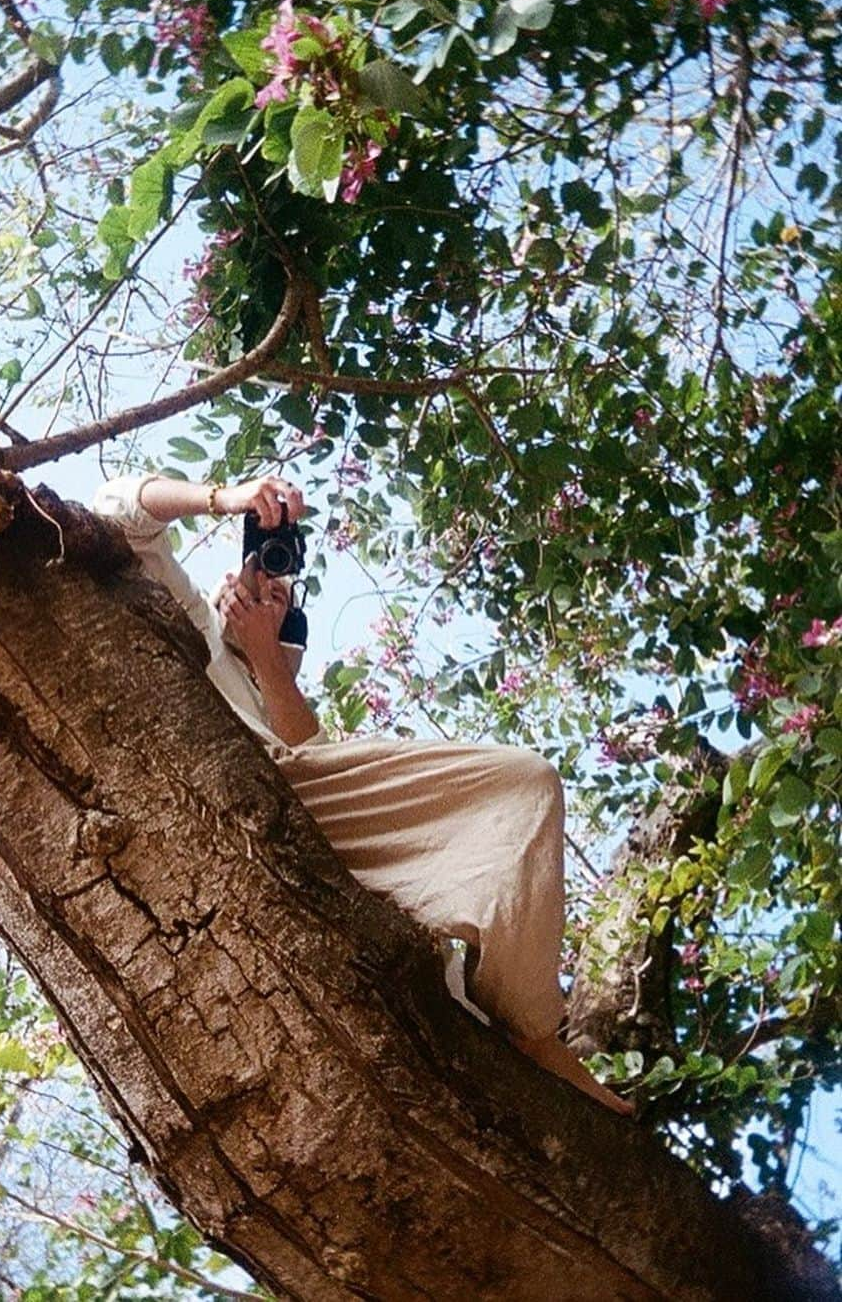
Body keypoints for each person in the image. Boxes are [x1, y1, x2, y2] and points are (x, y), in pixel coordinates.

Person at [93, 470, 633, 1116]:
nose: (273, 596)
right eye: (263, 586)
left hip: (299, 796)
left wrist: (267, 655)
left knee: (526, 781)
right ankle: (535, 1030)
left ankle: (529, 1025)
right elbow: (119, 510)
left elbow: (305, 748)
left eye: (287, 606)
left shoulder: (270, 683)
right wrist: (229, 499)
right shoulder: (193, 624)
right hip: (212, 797)